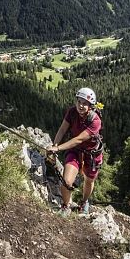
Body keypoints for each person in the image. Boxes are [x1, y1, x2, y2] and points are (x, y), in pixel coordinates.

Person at [47, 87, 103, 216]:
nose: (81, 105)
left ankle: (84, 202)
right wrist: (54, 146)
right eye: (79, 101)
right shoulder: (72, 112)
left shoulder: (95, 121)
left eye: (85, 103)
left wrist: (58, 148)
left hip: (91, 155)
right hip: (75, 152)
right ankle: (66, 206)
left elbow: (78, 139)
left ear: (90, 106)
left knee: (89, 180)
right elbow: (62, 129)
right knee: (66, 181)